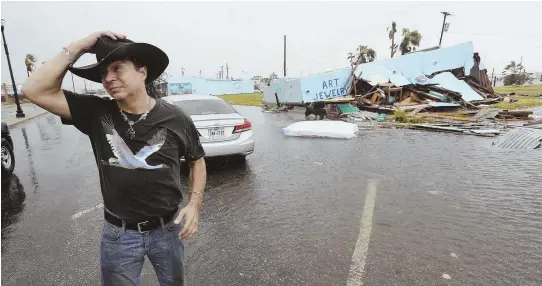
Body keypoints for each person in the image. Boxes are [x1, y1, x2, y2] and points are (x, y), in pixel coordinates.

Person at [22, 31, 207, 286]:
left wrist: (195, 203)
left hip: (167, 230)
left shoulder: (176, 118)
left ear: (142, 72)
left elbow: (197, 159)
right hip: (119, 235)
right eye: (103, 73)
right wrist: (79, 46)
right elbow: (33, 89)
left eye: (117, 68)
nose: (108, 78)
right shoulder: (95, 112)